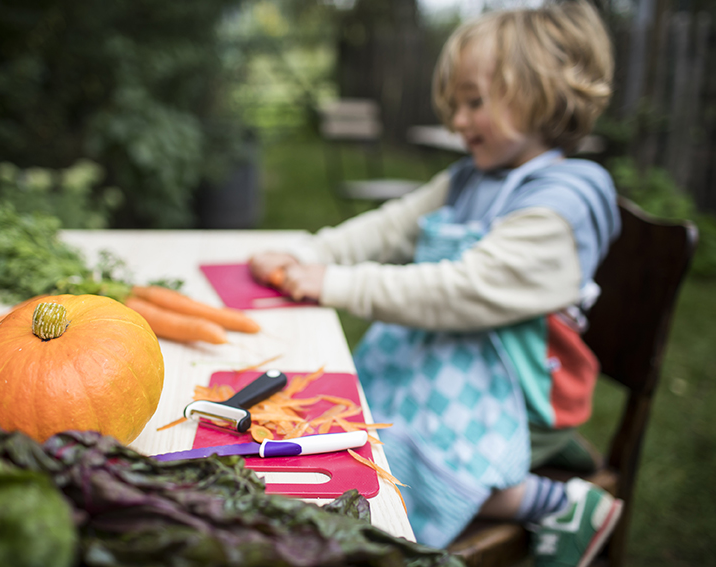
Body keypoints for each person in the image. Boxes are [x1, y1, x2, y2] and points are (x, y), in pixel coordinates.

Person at [249, 2, 624, 566]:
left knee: (387, 459)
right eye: (456, 105)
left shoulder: (567, 202)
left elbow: (459, 292)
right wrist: (309, 253)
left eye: (474, 102)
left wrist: (334, 283)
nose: (458, 121)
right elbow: (388, 227)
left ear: (543, 92)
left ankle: (557, 503)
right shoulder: (470, 177)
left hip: (518, 400)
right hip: (440, 370)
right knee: (345, 427)